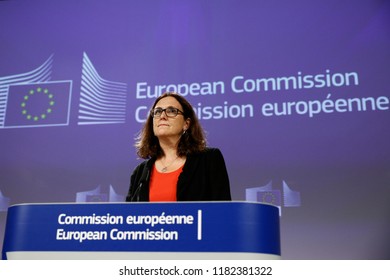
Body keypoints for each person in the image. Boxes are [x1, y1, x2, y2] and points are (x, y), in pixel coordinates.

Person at [126, 92, 231, 202]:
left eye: (171, 111)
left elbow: (222, 212)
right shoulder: (140, 172)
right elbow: (129, 217)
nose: (162, 116)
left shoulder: (209, 160)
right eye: (157, 112)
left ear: (186, 123)